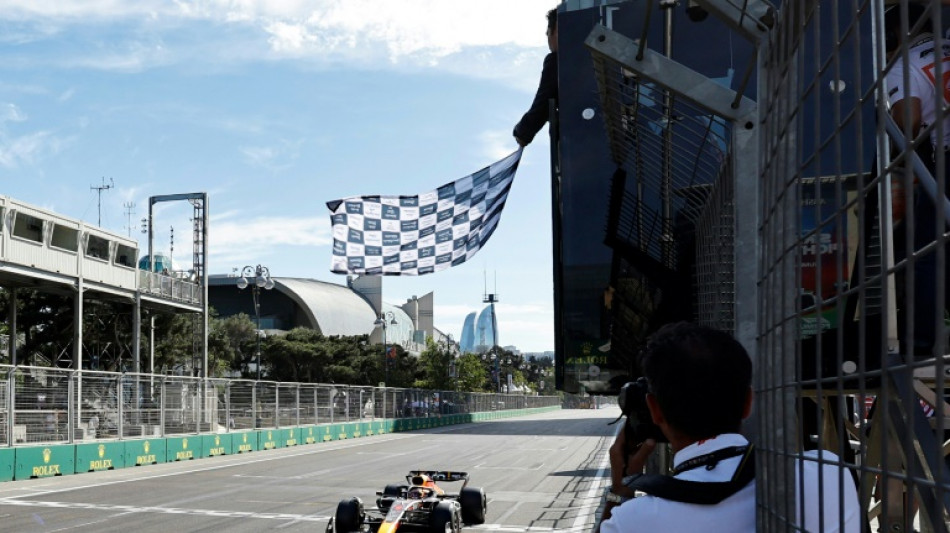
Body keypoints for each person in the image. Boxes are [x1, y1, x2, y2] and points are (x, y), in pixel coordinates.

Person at [597, 322, 860, 533]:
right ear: (748, 402)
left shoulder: (632, 521)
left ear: (654, 410)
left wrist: (620, 492)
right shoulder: (828, 474)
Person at [884, 2, 950, 357]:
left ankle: (920, 347)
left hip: (946, 160)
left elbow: (907, 123)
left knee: (926, 253)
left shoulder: (903, 64)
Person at [513, 8, 558, 147]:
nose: (548, 40)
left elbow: (544, 100)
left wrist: (523, 133)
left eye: (548, 34)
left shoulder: (558, 61)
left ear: (556, 31)